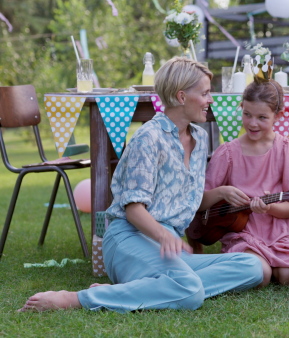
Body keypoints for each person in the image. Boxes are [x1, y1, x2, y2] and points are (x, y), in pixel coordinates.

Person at [19, 57, 263, 313]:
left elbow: (185, 200)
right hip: (130, 237)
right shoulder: (148, 138)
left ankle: (147, 287)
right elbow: (134, 210)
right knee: (190, 293)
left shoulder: (200, 139)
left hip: (167, 246)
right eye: (204, 93)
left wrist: (220, 193)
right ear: (181, 96)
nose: (210, 100)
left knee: (252, 266)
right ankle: (75, 299)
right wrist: (163, 235)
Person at [200, 71, 289, 287]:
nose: (252, 123)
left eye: (262, 117)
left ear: (278, 116)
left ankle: (276, 262)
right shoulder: (228, 152)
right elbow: (202, 202)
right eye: (247, 114)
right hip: (243, 232)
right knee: (260, 276)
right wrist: (222, 192)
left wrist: (269, 208)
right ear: (241, 107)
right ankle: (261, 265)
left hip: (280, 232)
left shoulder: (286, 149)